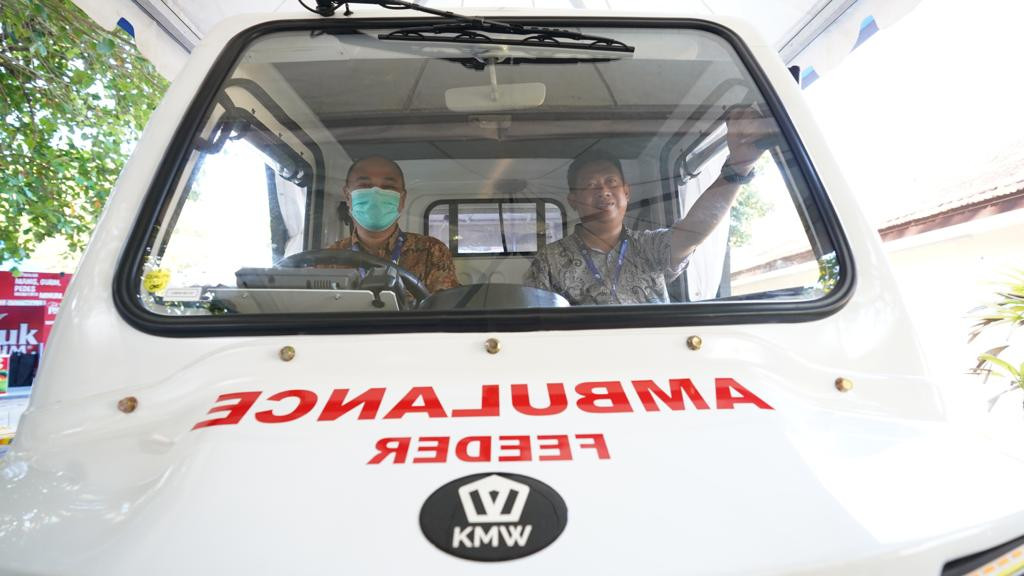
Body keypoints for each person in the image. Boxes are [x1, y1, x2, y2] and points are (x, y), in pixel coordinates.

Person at [525, 108, 764, 305]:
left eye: (611, 182)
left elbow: (694, 232)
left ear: (626, 193)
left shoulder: (649, 246)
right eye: (590, 185)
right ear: (573, 201)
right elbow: (535, 325)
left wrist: (739, 167)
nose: (603, 191)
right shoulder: (549, 260)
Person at [328, 156, 459, 294]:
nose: (376, 195)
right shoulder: (329, 257)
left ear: (402, 199)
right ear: (348, 197)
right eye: (365, 186)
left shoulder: (432, 252)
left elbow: (443, 309)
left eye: (388, 187)